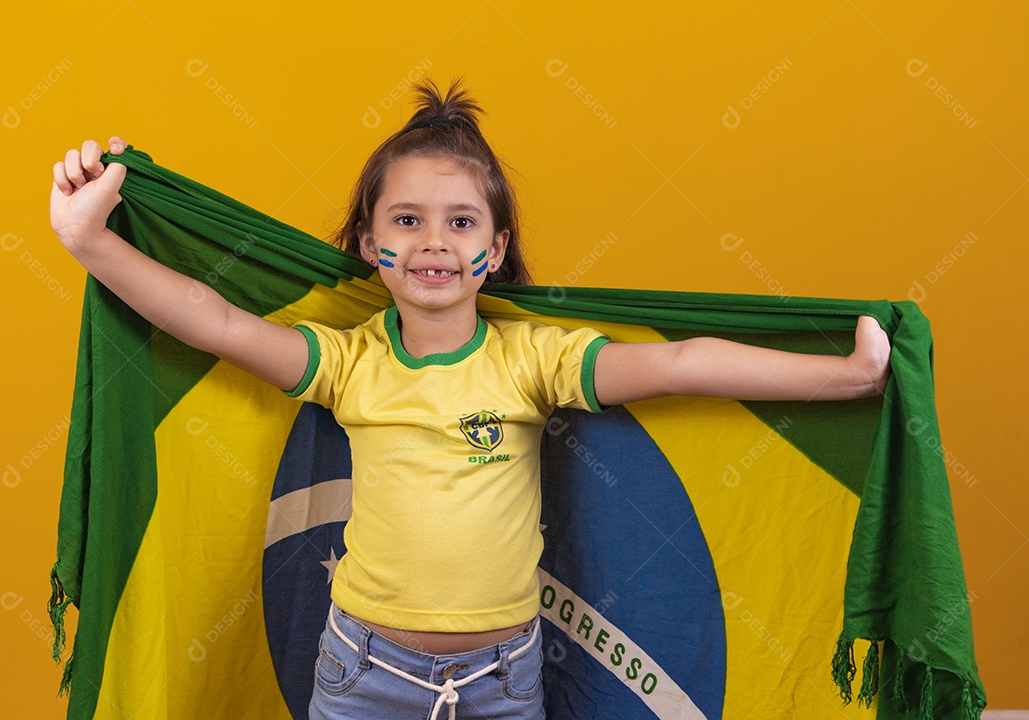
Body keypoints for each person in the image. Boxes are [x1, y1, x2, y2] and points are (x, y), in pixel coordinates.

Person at [50, 79, 891, 720]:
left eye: (460, 223)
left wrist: (844, 376)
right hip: (359, 671)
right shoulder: (348, 363)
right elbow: (216, 320)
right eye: (407, 220)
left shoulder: (535, 361)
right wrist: (88, 239)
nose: (433, 242)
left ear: (496, 250)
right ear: (370, 245)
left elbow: (680, 362)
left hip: (503, 679)